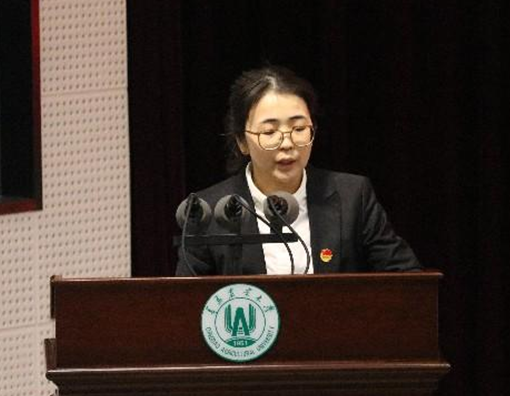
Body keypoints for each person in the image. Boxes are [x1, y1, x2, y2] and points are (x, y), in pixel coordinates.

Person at [175, 65, 421, 275]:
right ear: (242, 141)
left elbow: (407, 281)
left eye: (299, 129)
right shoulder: (207, 212)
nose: (287, 143)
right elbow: (187, 302)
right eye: (270, 132)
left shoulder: (352, 196)